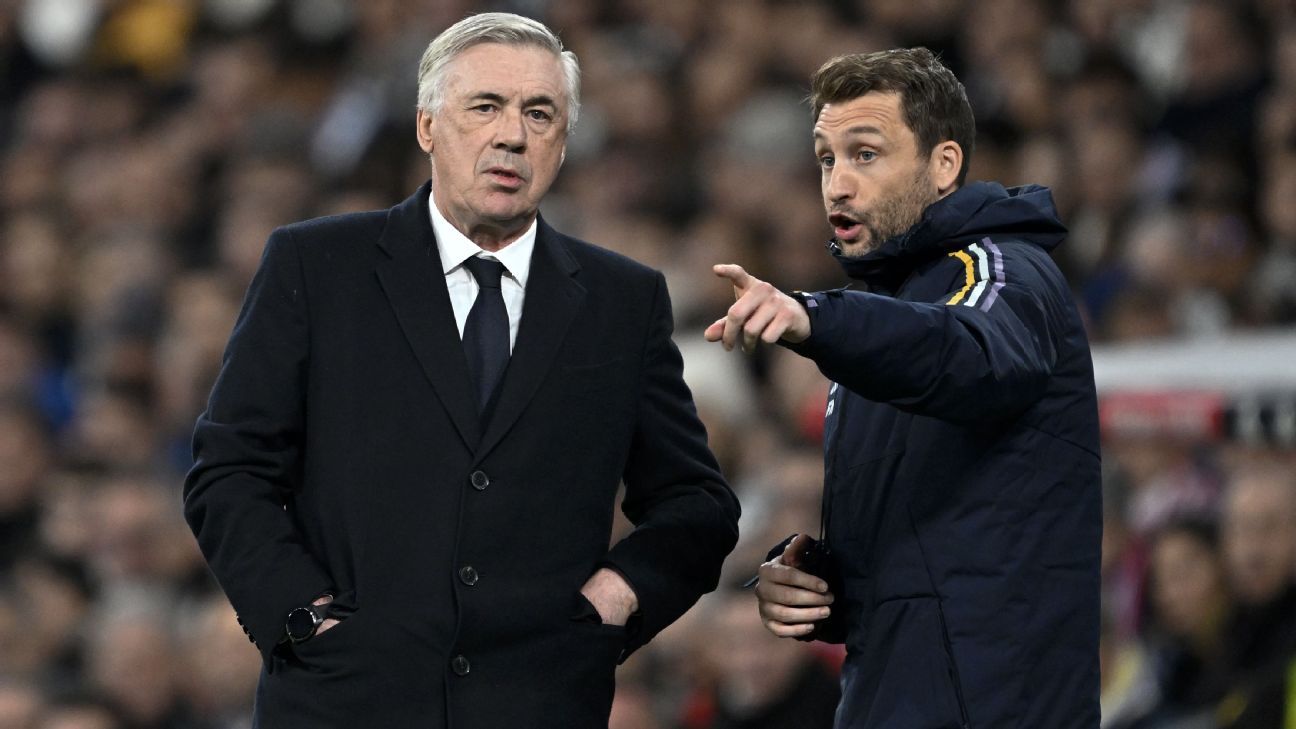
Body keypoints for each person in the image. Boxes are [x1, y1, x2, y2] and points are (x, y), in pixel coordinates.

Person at [183, 13, 739, 729]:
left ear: (563, 142)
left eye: (540, 114)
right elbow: (230, 469)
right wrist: (300, 616)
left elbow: (696, 502)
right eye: (486, 106)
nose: (513, 136)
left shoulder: (622, 301)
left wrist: (617, 596)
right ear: (427, 126)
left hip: (537, 703)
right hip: (342, 701)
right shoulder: (317, 266)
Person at [705, 48, 1102, 728]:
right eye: (826, 160)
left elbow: (974, 358)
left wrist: (818, 317)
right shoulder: (877, 335)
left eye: (865, 154)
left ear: (943, 165)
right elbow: (925, 564)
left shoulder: (1005, 269)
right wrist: (815, 586)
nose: (837, 185)